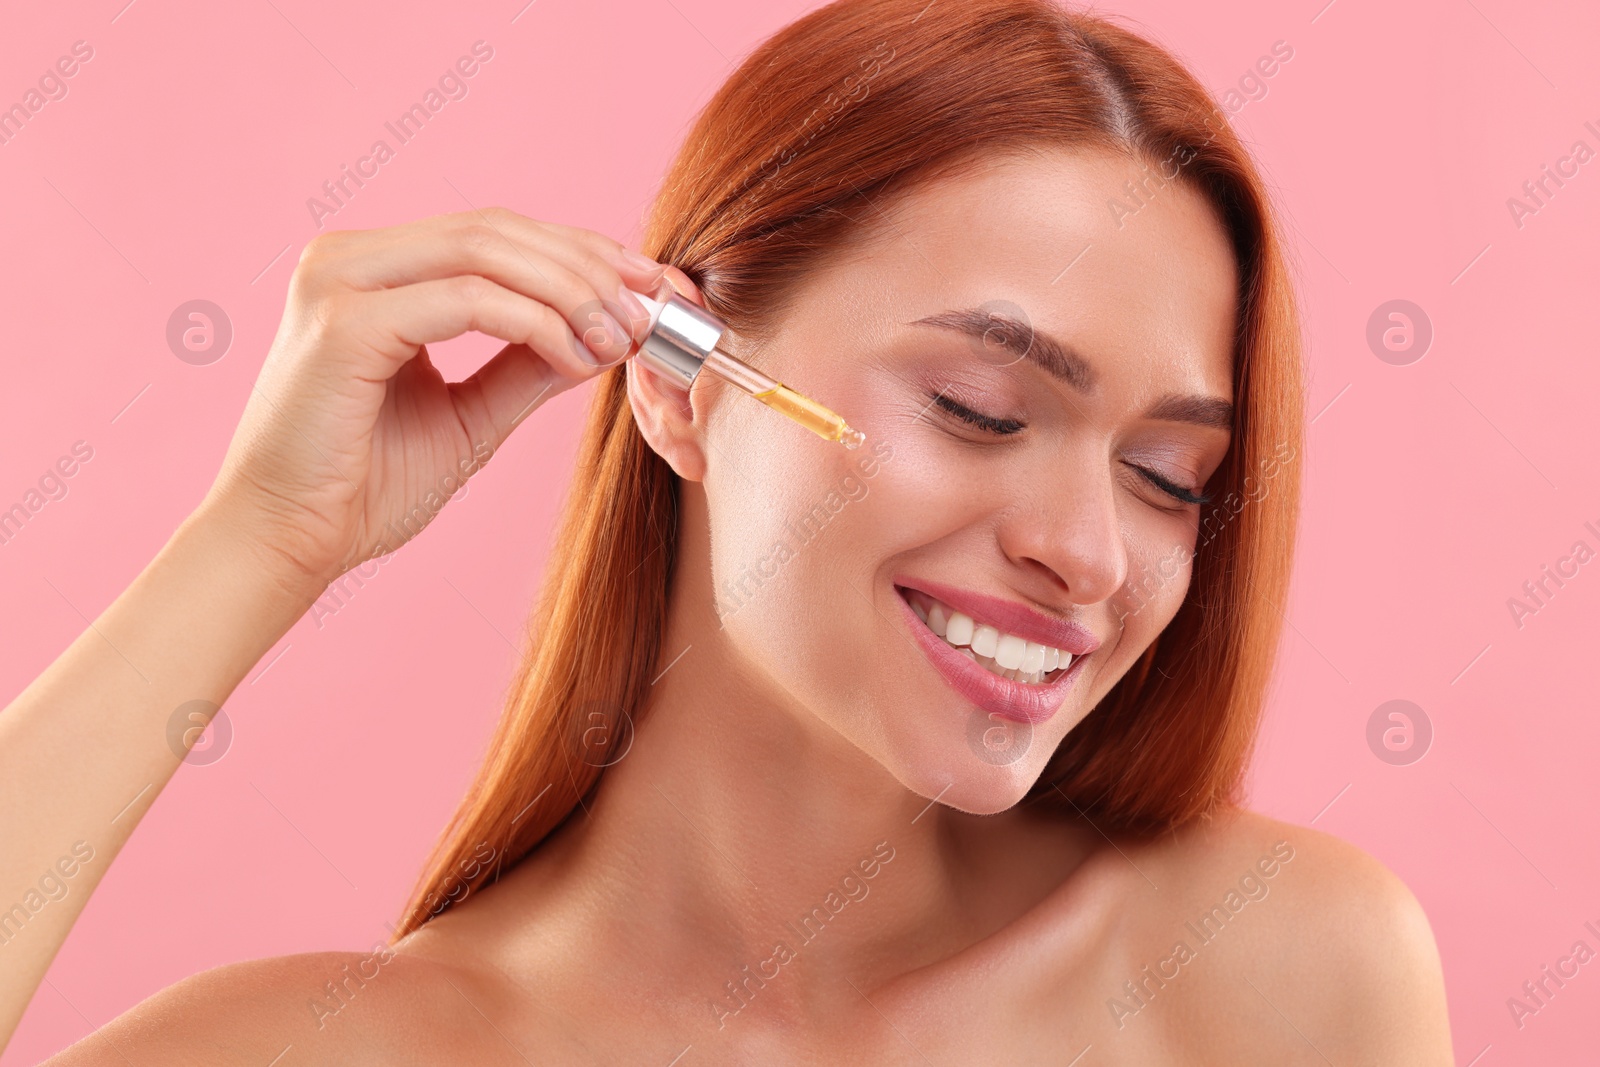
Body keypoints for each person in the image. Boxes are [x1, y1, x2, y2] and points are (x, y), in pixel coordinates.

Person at [3, 0, 1452, 1061]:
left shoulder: (1272, 975)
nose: (1089, 552)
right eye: (979, 407)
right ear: (685, 388)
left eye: (1168, 477)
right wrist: (264, 538)